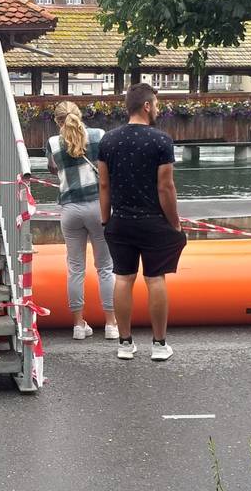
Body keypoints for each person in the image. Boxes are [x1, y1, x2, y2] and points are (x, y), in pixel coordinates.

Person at [97, 83, 186, 361]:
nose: (157, 109)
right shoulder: (161, 141)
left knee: (123, 278)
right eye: (156, 104)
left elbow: (103, 184)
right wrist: (175, 223)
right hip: (153, 222)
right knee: (154, 279)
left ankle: (125, 343)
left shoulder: (108, 141)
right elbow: (166, 187)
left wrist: (105, 221)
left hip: (120, 221)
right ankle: (159, 345)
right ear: (147, 106)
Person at [45, 101, 117, 341]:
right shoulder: (99, 136)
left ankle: (78, 325)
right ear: (80, 115)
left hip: (70, 209)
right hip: (98, 206)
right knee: (105, 267)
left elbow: (54, 169)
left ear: (57, 121)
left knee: (75, 268)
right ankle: (111, 324)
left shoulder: (54, 143)